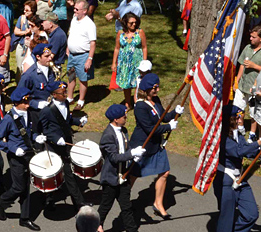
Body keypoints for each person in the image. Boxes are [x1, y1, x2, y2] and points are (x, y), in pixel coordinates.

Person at [129, 73, 184, 219]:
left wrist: (174, 113)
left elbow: (162, 117)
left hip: (156, 145)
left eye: (157, 87)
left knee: (164, 172)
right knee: (134, 175)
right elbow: (150, 128)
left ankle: (158, 204)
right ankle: (124, 200)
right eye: (155, 87)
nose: (157, 90)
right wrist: (168, 127)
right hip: (143, 145)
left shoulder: (156, 100)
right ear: (146, 88)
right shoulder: (140, 107)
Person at [0, 87, 45, 230]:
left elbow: (29, 134)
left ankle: (24, 218)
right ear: (17, 102)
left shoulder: (27, 114)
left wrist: (36, 137)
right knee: (18, 187)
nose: (28, 104)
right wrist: (14, 149)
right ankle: (0, 201)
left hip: (28, 154)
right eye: (25, 101)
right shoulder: (9, 119)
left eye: (28, 100)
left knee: (26, 186)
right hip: (16, 157)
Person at [37, 80, 89, 210]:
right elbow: (43, 129)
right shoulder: (47, 111)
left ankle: (79, 203)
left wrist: (78, 121)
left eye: (65, 91)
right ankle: (48, 200)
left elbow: (66, 120)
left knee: (69, 173)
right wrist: (54, 138)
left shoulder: (65, 103)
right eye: (62, 92)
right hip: (54, 146)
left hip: (65, 143)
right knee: (52, 173)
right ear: (54, 94)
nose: (65, 94)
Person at [97, 104, 146, 232]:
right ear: (116, 119)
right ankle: (96, 225)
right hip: (111, 178)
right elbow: (114, 157)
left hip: (124, 175)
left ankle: (131, 229)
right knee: (106, 205)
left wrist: (133, 156)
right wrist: (131, 154)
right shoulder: (108, 135)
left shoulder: (123, 130)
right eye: (124, 116)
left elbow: (126, 148)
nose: (126, 117)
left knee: (126, 206)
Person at [213, 105, 260, 232]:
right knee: (226, 220)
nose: (240, 120)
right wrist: (258, 143)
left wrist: (258, 150)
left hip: (240, 179)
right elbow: (238, 151)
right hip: (225, 181)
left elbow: (248, 152)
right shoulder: (222, 138)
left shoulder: (237, 134)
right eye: (238, 117)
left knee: (251, 214)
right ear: (230, 120)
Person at [18, 43, 56, 137]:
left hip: (50, 110)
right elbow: (18, 96)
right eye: (46, 56)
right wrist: (37, 104)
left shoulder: (52, 71)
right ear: (38, 57)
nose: (50, 58)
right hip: (35, 113)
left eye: (50, 55)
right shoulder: (29, 75)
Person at [112, 12, 147, 110]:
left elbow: (144, 47)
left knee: (137, 82)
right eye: (131, 23)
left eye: (135, 22)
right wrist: (114, 63)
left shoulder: (140, 32)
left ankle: (137, 101)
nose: (134, 25)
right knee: (126, 83)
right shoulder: (120, 33)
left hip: (137, 62)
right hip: (124, 63)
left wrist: (144, 62)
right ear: (125, 23)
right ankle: (128, 103)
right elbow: (117, 48)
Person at [66, 0, 96, 111]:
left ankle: (81, 100)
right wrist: (68, 47)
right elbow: (71, 34)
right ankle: (69, 98)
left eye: (77, 9)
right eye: (74, 8)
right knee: (71, 76)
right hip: (72, 55)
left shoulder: (89, 24)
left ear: (84, 11)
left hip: (83, 55)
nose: (74, 11)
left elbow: (93, 43)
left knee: (83, 79)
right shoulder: (74, 19)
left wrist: (90, 59)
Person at [233, 25, 261, 142]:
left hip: (255, 88)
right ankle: (240, 128)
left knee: (254, 113)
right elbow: (241, 65)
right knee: (238, 108)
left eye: (253, 37)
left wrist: (254, 66)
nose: (250, 39)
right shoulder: (247, 48)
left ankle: (252, 135)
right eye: (250, 36)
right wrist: (237, 81)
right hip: (242, 85)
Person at [13, 0, 36, 81]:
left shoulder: (37, 20)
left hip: (32, 47)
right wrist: (25, 32)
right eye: (24, 9)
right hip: (22, 46)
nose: (24, 11)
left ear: (33, 11)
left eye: (27, 10)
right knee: (20, 66)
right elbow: (16, 31)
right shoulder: (22, 18)